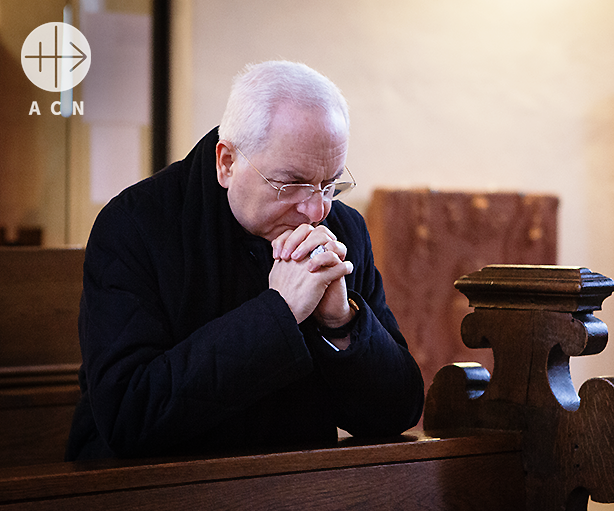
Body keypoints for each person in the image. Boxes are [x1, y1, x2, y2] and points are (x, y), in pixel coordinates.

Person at [66, 61, 425, 460]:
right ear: (227, 163)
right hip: (144, 488)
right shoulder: (134, 225)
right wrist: (280, 313)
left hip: (297, 485)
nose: (315, 211)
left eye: (330, 184)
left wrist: (341, 323)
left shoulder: (343, 229)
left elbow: (399, 412)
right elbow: (129, 417)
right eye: (291, 185)